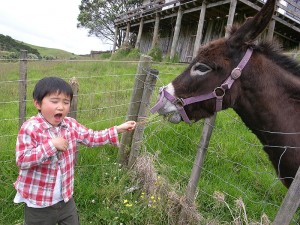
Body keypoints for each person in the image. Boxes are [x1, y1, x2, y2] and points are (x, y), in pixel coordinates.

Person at [13, 76, 136, 225]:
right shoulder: (30, 128)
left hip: (65, 200)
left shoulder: (70, 125)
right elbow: (22, 160)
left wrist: (117, 129)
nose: (61, 107)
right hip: (39, 204)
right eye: (54, 101)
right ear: (38, 103)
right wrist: (51, 145)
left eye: (66, 102)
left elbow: (91, 137)